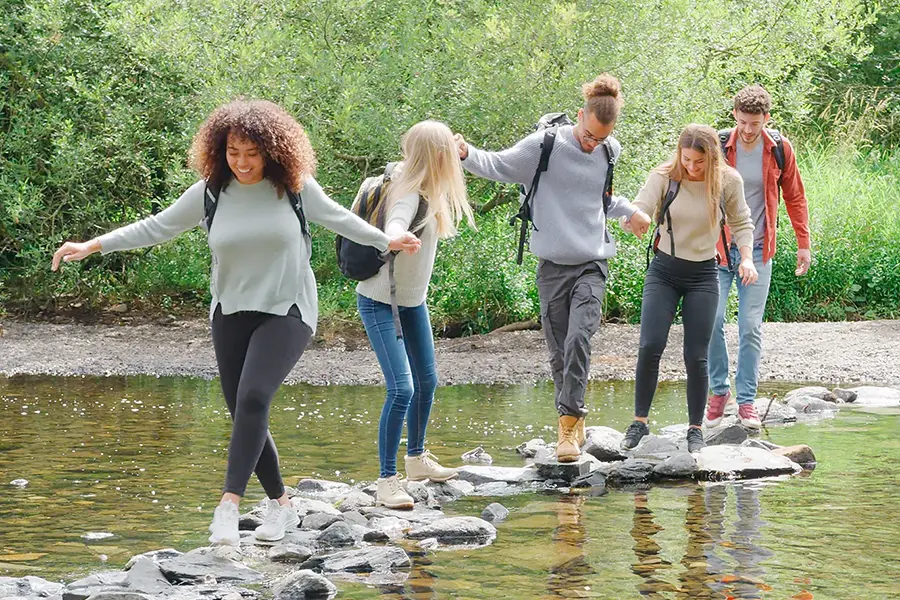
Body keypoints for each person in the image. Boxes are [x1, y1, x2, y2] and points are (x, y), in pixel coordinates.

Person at [51, 99, 421, 546]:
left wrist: (389, 239)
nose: (242, 163)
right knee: (246, 412)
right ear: (219, 151)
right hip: (229, 312)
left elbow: (342, 219)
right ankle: (283, 505)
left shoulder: (297, 189)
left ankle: (228, 506)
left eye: (252, 153)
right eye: (233, 153)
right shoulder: (209, 193)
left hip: (288, 309)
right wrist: (94, 245)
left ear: (272, 150)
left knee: (253, 398)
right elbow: (156, 226)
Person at [454, 74, 651, 463]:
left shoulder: (610, 151)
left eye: (600, 139)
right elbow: (497, 165)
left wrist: (630, 211)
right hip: (552, 267)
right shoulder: (544, 146)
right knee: (559, 353)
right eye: (588, 135)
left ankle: (569, 422)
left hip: (592, 262)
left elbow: (601, 199)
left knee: (580, 338)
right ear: (580, 115)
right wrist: (465, 153)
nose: (592, 144)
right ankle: (571, 425)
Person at [356, 120, 476, 509]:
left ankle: (416, 460)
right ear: (439, 157)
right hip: (379, 302)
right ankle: (386, 481)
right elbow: (396, 218)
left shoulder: (428, 187)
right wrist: (395, 236)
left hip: (411, 302)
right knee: (402, 389)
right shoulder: (407, 192)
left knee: (427, 381)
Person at [620, 124, 756, 453]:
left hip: (704, 275)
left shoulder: (727, 181)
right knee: (650, 343)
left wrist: (748, 258)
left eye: (699, 162)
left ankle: (695, 429)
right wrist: (632, 218)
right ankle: (639, 422)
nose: (692, 167)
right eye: (687, 160)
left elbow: (741, 223)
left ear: (712, 158)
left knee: (696, 354)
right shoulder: (665, 175)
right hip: (664, 270)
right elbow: (640, 206)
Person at [706, 85, 811, 429]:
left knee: (750, 327)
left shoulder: (779, 149)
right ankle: (720, 392)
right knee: (711, 321)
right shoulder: (719, 146)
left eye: (755, 123)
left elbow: (795, 196)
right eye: (743, 122)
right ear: (734, 115)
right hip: (718, 248)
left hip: (761, 248)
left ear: (767, 119)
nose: (749, 130)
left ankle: (747, 402)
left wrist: (803, 243)